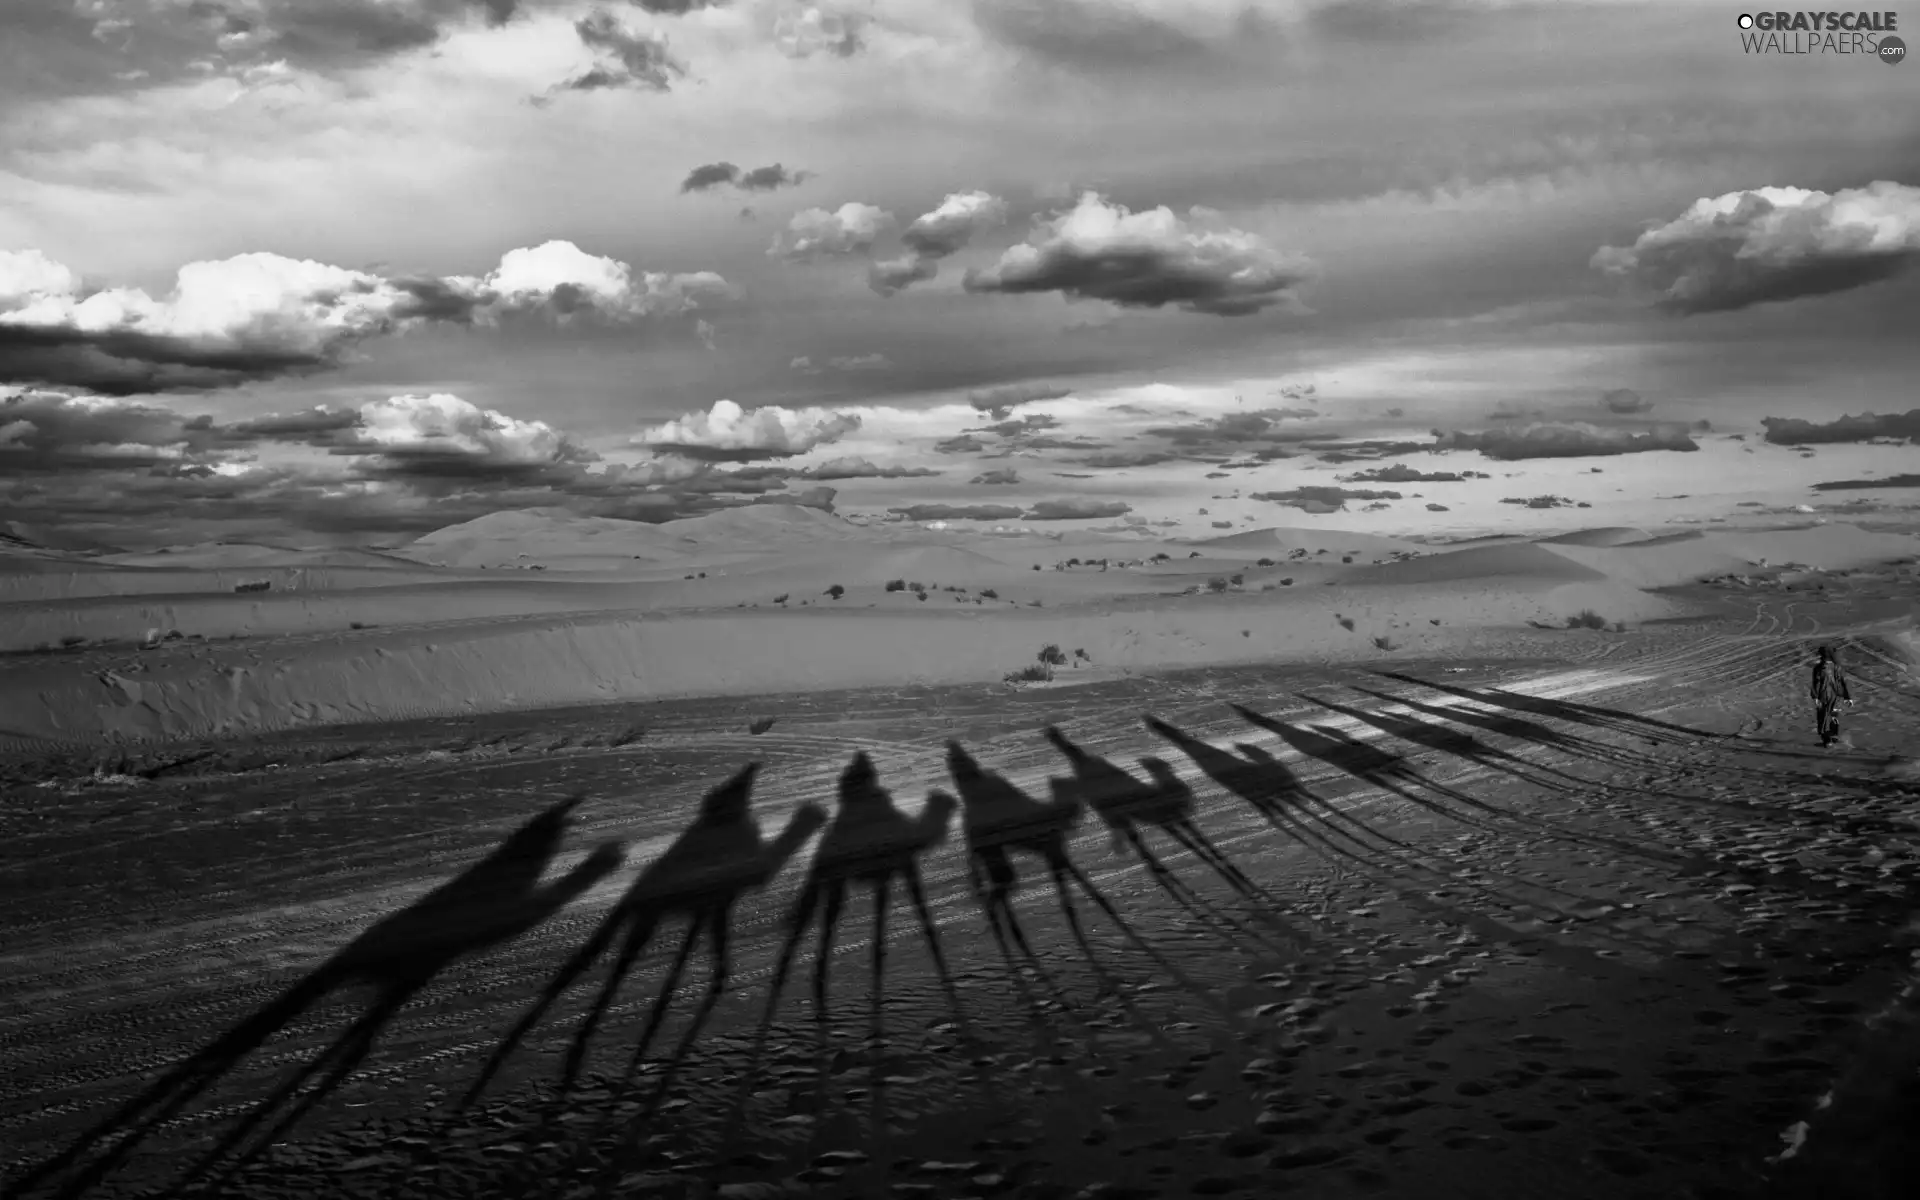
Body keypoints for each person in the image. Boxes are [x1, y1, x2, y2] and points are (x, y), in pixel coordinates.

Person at [1810, 644, 1854, 748]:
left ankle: (1830, 739)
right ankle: (1829, 738)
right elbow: (1816, 683)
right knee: (1828, 717)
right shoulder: (1830, 668)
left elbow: (1816, 683)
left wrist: (1847, 697)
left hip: (1829, 696)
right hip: (1829, 697)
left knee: (1828, 717)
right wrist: (1847, 697)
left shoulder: (1824, 668)